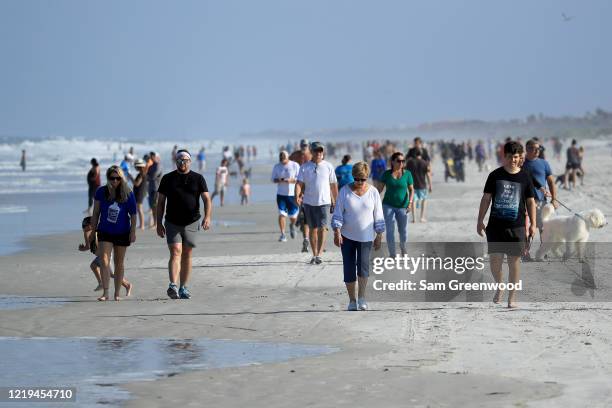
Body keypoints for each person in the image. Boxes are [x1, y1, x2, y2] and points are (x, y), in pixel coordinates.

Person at [477, 141, 536, 308]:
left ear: (520, 157)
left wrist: (533, 224)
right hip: (495, 226)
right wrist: (480, 220)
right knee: (495, 262)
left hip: (516, 226)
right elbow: (486, 198)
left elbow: (531, 202)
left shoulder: (525, 176)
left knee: (514, 262)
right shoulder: (495, 175)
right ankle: (500, 285)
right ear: (504, 157)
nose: (513, 160)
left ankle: (512, 296)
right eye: (510, 157)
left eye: (516, 157)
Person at [157, 150, 212, 300]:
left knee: (187, 254)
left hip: (192, 221)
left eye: (185, 160)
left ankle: (183, 287)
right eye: (180, 159)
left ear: (190, 161)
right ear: (176, 161)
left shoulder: (198, 178)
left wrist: (207, 217)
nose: (183, 162)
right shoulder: (167, 179)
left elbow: (207, 199)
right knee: (175, 251)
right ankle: (173, 285)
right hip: (172, 222)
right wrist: (158, 223)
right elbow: (160, 202)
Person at [332, 162, 385, 311]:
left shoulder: (373, 192)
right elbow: (338, 213)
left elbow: (378, 215)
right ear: (353, 176)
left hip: (366, 237)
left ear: (367, 177)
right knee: (348, 268)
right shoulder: (344, 191)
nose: (359, 182)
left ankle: (361, 297)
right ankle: (352, 300)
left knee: (363, 268)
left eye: (363, 179)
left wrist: (379, 235)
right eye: (356, 179)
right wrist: (337, 232)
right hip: (347, 237)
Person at [91, 166, 137, 301]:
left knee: (119, 262)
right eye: (112, 178)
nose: (115, 181)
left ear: (122, 178)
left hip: (122, 232)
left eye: (118, 178)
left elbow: (133, 214)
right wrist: (92, 232)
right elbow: (95, 213)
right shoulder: (101, 192)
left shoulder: (128, 193)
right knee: (104, 260)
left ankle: (117, 293)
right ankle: (105, 293)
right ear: (108, 178)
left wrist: (133, 232)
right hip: (104, 231)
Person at [295, 142, 338, 264]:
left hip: (324, 202)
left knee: (323, 228)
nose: (319, 153)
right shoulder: (304, 167)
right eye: (316, 151)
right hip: (309, 202)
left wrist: (336, 200)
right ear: (311, 152)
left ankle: (319, 254)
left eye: (321, 151)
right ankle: (314, 254)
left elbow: (333, 185)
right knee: (313, 229)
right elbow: (299, 183)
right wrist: (297, 195)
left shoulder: (328, 166)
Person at [79, 216, 132, 294]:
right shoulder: (93, 232)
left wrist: (81, 249)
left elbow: (88, 246)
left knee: (112, 274)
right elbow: (90, 245)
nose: (84, 228)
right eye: (83, 226)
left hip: (105, 255)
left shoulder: (91, 233)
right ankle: (101, 283)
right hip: (101, 256)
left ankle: (127, 285)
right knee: (93, 266)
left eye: (85, 226)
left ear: (91, 225)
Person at [378, 152, 414, 257]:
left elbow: (411, 190)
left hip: (403, 206)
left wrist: (410, 203)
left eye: (403, 161)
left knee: (403, 231)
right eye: (399, 161)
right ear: (392, 162)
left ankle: (403, 248)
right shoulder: (386, 174)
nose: (401, 163)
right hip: (388, 205)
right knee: (390, 230)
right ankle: (392, 254)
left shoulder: (407, 174)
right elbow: (379, 190)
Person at [522, 139, 558, 244]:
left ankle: (543, 250)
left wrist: (554, 199)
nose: (537, 150)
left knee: (543, 227)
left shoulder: (544, 163)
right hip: (524, 201)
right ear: (527, 149)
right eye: (534, 148)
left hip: (541, 200)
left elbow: (551, 182)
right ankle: (525, 252)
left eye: (539, 148)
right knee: (526, 227)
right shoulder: (521, 163)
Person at [271, 151, 300, 242]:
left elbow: (300, 179)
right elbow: (273, 179)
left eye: (284, 158)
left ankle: (292, 225)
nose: (282, 160)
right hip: (281, 195)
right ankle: (283, 234)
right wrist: (279, 180)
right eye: (281, 159)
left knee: (293, 217)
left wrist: (291, 180)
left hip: (292, 194)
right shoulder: (277, 166)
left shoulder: (295, 165)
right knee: (282, 214)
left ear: (288, 157)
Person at [289, 139, 313, 252]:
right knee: (304, 215)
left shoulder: (312, 155)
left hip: (311, 189)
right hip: (298, 187)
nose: (304, 147)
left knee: (310, 216)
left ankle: (310, 239)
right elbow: (288, 165)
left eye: (305, 145)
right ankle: (306, 239)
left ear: (308, 146)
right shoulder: (295, 155)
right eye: (302, 145)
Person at [406, 149, 432, 223]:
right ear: (420, 155)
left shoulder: (410, 162)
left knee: (413, 201)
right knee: (424, 200)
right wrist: (430, 185)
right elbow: (428, 175)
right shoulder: (424, 163)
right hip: (422, 185)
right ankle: (422, 217)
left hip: (412, 185)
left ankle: (414, 218)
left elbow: (406, 173)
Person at [146, 152, 163, 228]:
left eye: (150, 157)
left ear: (153, 156)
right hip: (150, 188)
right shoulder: (150, 165)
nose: (149, 158)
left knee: (156, 206)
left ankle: (157, 224)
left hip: (156, 188)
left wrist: (148, 176)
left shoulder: (158, 165)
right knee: (152, 207)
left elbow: (152, 176)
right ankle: (154, 223)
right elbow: (146, 175)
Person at [132, 159, 148, 230]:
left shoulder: (141, 174)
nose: (135, 168)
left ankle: (142, 225)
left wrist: (130, 177)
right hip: (140, 192)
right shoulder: (143, 173)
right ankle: (142, 225)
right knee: (139, 209)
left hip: (139, 193)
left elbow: (136, 183)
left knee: (139, 209)